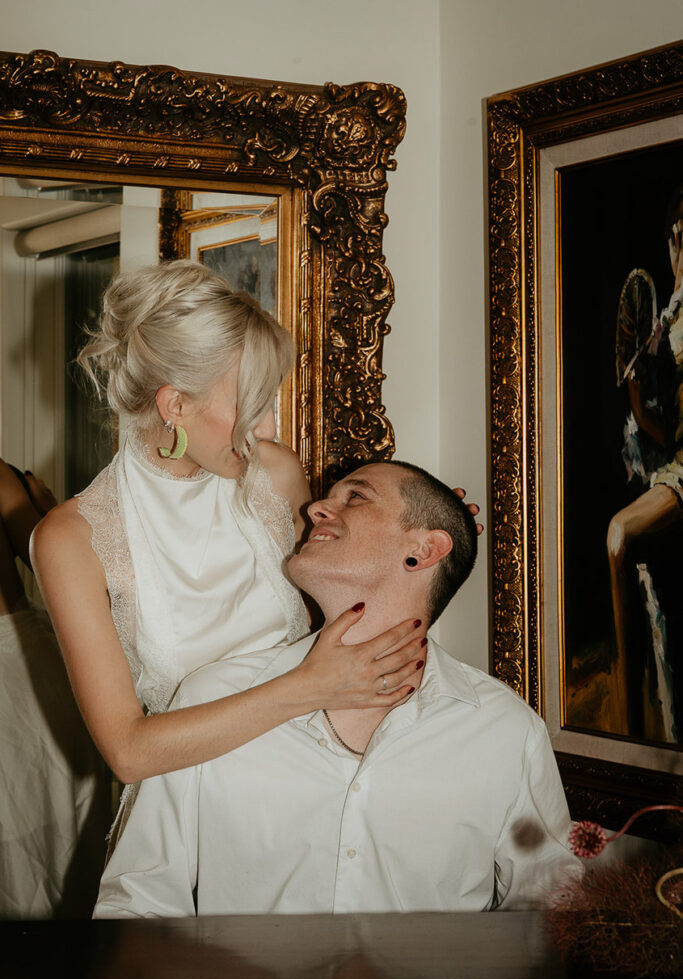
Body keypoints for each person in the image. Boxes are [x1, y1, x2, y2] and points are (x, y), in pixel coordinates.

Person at [94, 460, 580, 918]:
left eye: (356, 496)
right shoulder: (211, 695)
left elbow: (553, 912)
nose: (315, 509)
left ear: (424, 550)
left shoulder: (504, 730)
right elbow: (138, 901)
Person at [30, 262, 426, 804]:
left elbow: (346, 604)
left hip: (320, 777)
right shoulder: (71, 539)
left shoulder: (277, 476)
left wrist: (425, 542)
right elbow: (128, 752)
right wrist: (308, 687)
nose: (267, 429)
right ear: (175, 405)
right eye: (250, 402)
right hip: (196, 805)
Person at [0, 459, 109, 918]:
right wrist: (48, 511)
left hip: (18, 666)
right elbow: (52, 557)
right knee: (48, 823)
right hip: (16, 666)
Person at [608, 185, 683, 739]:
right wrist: (637, 392)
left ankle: (631, 720)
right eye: (673, 236)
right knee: (645, 579)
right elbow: (658, 426)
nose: (679, 246)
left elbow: (675, 429)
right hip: (665, 466)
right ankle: (638, 730)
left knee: (618, 533)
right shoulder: (666, 317)